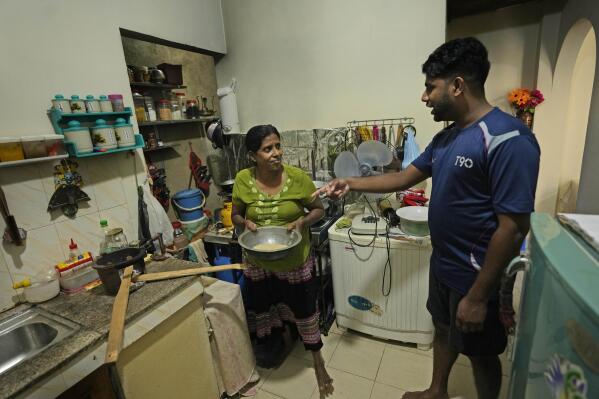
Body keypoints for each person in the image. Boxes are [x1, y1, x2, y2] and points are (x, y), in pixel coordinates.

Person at [315, 37, 540, 399]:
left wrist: (480, 296)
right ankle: (437, 391)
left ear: (457, 85)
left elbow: (513, 228)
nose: (424, 97)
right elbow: (404, 177)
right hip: (445, 262)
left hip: (478, 271)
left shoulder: (508, 139)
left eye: (430, 87)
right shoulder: (447, 138)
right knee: (442, 327)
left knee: (482, 354)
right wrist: (351, 181)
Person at [232, 124, 334, 397]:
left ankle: (317, 360)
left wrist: (301, 221)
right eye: (268, 149)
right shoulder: (243, 179)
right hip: (258, 261)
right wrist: (246, 222)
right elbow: (236, 216)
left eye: (278, 146)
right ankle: (279, 343)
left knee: (304, 310)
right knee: (265, 306)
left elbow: (319, 210)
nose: (276, 153)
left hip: (294, 261)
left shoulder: (298, 178)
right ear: (253, 155)